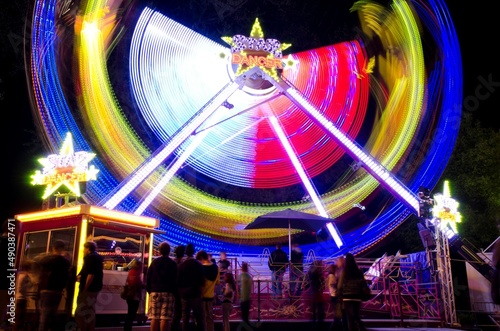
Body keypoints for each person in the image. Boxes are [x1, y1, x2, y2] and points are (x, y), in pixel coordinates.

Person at [37, 240, 72, 331]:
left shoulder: (45, 259)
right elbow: (67, 275)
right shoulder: (65, 262)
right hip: (57, 290)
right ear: (62, 249)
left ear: (53, 248)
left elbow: (39, 271)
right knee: (53, 313)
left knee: (44, 314)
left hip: (45, 289)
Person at [146, 242, 178, 331]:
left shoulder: (154, 262)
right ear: (169, 251)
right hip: (168, 292)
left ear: (159, 251)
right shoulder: (172, 263)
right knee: (165, 317)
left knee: (154, 317)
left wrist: (150, 290)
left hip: (155, 291)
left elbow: (148, 277)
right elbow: (175, 279)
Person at [75, 241, 103, 331]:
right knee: (90, 311)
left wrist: (85, 288)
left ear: (87, 248)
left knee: (79, 312)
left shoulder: (90, 258)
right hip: (96, 288)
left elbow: (90, 274)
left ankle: (82, 328)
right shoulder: (98, 258)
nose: (83, 250)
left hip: (89, 289)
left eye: (84, 248)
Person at [177, 243, 205, 331]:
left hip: (184, 294)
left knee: (185, 318)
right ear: (194, 252)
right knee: (199, 317)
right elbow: (202, 280)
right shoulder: (199, 265)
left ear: (186, 252)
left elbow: (178, 281)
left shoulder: (181, 265)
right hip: (196, 293)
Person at [337, 253, 367, 331]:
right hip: (357, 296)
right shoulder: (359, 271)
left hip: (347, 297)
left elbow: (340, 285)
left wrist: (338, 294)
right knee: (356, 316)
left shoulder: (344, 272)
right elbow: (363, 283)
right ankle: (362, 328)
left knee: (349, 318)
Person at [196, 250, 219, 331]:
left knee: (202, 318)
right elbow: (217, 282)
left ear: (201, 258)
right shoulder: (216, 268)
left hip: (201, 296)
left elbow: (198, 282)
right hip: (210, 295)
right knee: (210, 317)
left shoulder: (200, 268)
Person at [124, 259, 143, 331]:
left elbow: (128, 282)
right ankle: (128, 329)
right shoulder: (137, 274)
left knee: (129, 314)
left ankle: (127, 328)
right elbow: (138, 285)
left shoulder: (131, 272)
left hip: (129, 295)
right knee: (131, 315)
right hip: (135, 296)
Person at [307, 259, 325, 331]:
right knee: (319, 307)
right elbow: (321, 282)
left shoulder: (310, 272)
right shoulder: (318, 273)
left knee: (314, 308)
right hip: (317, 291)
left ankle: (314, 322)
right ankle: (319, 323)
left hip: (313, 291)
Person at [172, 245, 185, 331]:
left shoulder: (173, 263)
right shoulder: (183, 264)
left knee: (176, 312)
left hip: (173, 289)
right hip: (181, 290)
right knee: (180, 312)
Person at [327, 261, 343, 331]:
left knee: (338, 315)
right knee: (337, 315)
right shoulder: (332, 276)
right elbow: (333, 284)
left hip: (333, 295)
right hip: (335, 295)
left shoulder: (330, 276)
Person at [238, 262, 253, 326]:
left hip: (242, 297)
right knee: (246, 314)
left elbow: (238, 286)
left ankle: (244, 326)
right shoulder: (249, 276)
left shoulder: (240, 276)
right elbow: (250, 287)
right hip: (248, 297)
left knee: (243, 314)